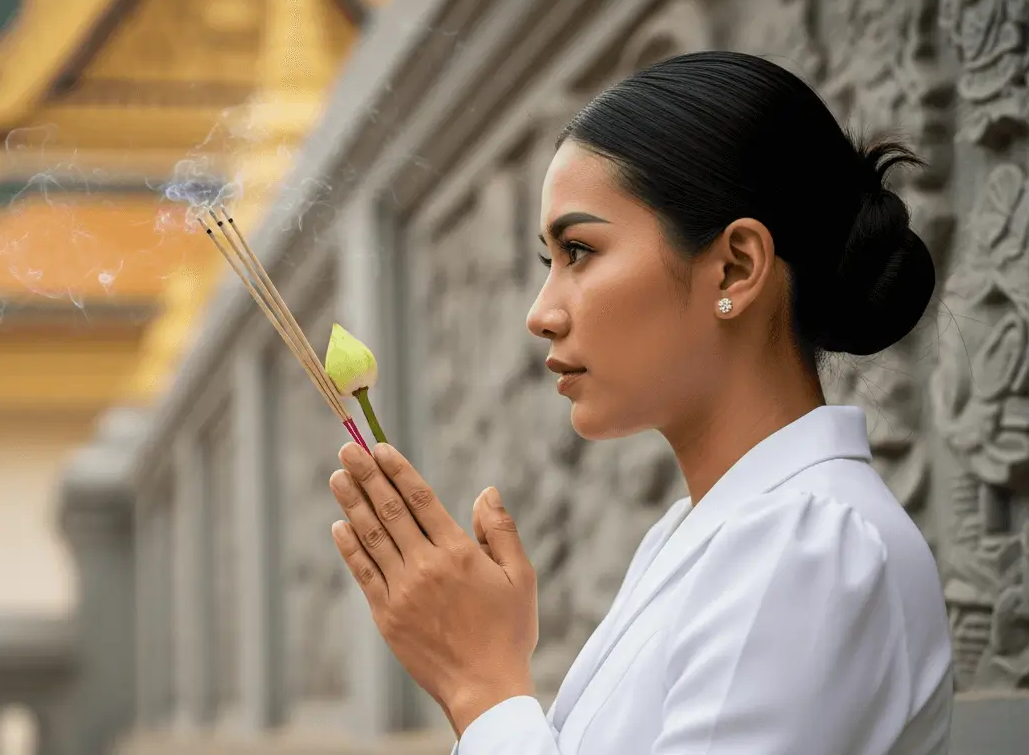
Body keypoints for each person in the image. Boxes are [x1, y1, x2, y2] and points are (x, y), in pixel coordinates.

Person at [325, 50, 954, 754]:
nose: (540, 313)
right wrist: (488, 659)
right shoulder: (697, 537)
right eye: (548, 261)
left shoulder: (808, 547)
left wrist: (482, 686)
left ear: (736, 266)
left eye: (580, 251)